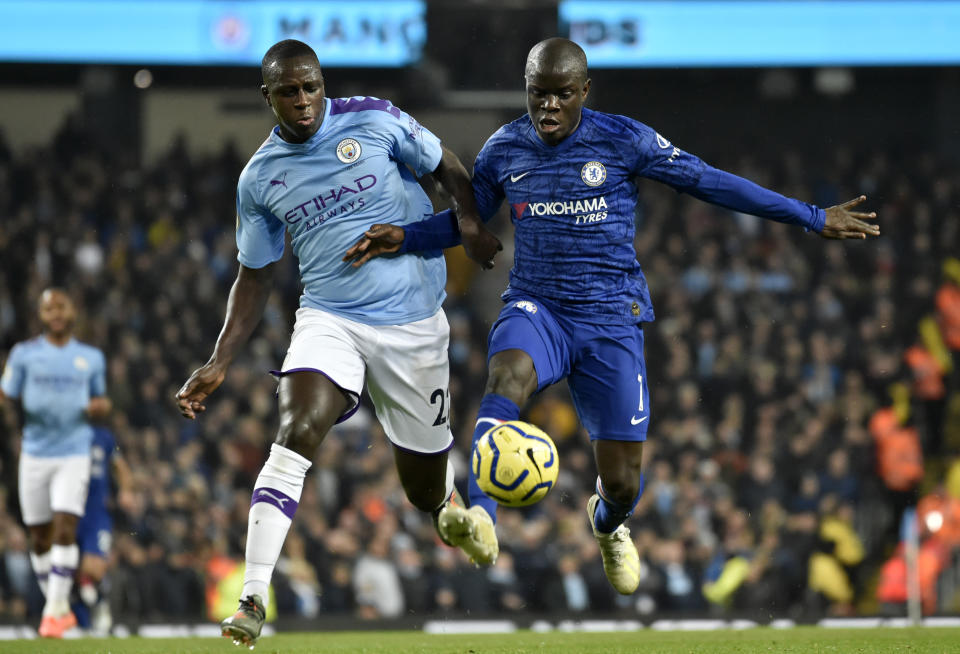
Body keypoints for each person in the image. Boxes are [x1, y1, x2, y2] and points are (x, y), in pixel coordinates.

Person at [344, 38, 879, 596]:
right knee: (506, 378)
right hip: (538, 306)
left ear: (585, 91)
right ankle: (482, 516)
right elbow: (468, 220)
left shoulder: (624, 139)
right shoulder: (505, 148)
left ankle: (610, 525)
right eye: (537, 95)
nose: (548, 107)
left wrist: (812, 217)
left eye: (561, 95)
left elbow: (710, 181)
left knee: (623, 481)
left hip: (609, 318)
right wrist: (405, 236)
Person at [174, 39, 501, 648]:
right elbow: (255, 272)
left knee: (425, 493)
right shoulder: (259, 178)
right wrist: (220, 358)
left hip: (415, 327)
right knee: (297, 429)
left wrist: (472, 222)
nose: (303, 101)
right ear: (266, 95)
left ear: (323, 83)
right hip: (330, 318)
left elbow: (445, 163)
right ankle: (253, 596)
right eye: (288, 91)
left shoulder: (373, 118)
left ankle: (453, 507)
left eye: (311, 87)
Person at [0, 288, 110, 637]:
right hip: (34, 453)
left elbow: (101, 400)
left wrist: (98, 408)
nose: (56, 314)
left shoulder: (90, 357)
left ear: (72, 311)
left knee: (65, 526)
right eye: (49, 309)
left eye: (61, 307)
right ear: (41, 315)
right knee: (40, 537)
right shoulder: (24, 355)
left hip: (73, 453)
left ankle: (50, 615)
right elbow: (7, 392)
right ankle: (59, 607)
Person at [72, 425, 133, 634]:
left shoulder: (104, 436)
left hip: (96, 512)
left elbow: (120, 464)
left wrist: (125, 490)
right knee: (72, 570)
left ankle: (98, 604)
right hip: (69, 511)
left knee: (93, 568)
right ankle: (87, 613)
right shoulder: (63, 432)